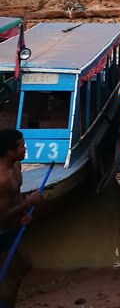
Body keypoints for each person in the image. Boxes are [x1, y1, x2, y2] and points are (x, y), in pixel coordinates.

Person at [0, 129, 41, 308]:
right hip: (2, 231)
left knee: (25, 266)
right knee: (12, 276)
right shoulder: (2, 179)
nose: (25, 149)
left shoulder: (16, 166)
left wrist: (22, 214)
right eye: (22, 146)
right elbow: (1, 216)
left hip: (12, 226)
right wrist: (28, 203)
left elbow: (16, 198)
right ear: (9, 152)